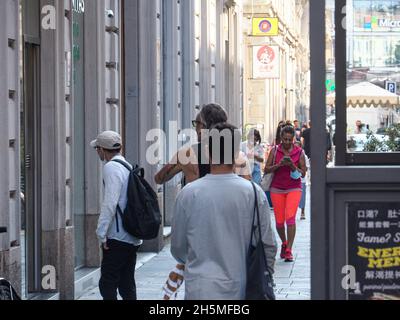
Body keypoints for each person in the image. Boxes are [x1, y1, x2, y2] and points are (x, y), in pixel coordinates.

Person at [171, 123, 277, 300]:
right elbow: (268, 243)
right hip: (241, 288)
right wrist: (264, 276)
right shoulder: (253, 193)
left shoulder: (188, 194)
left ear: (207, 152)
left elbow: (178, 247)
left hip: (199, 289)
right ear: (236, 154)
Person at [91, 131, 142, 300]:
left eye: (97, 148)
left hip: (118, 236)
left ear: (102, 149)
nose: (97, 152)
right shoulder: (126, 165)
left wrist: (101, 233)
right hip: (131, 236)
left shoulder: (111, 167)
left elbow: (110, 202)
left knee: (107, 283)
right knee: (127, 284)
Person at [264, 125, 306, 262]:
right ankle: (284, 242)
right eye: (285, 139)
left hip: (294, 188)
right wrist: (279, 165)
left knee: (290, 218)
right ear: (280, 138)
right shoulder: (274, 151)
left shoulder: (299, 152)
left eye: (290, 140)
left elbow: (303, 172)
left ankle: (289, 250)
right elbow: (267, 169)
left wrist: (292, 166)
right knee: (279, 222)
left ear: (293, 139)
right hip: (277, 188)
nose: (287, 142)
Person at [295, 141, 310, 220]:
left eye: (298, 147)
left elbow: (306, 168)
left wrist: (300, 167)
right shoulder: (291, 155)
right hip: (293, 179)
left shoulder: (304, 156)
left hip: (302, 180)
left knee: (302, 196)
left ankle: (302, 212)